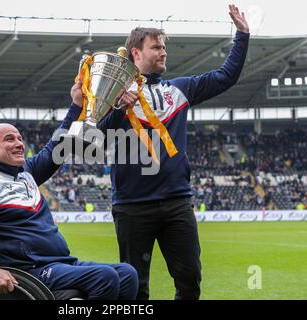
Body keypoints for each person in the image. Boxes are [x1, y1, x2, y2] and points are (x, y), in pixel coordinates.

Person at [98, 4, 249, 300]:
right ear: (136, 54)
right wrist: (117, 105)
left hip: (177, 202)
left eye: (164, 46)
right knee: (135, 287)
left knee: (190, 280)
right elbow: (92, 137)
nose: (164, 52)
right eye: (156, 47)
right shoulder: (113, 93)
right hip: (132, 206)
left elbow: (226, 77)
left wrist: (242, 35)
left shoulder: (180, 89)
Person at [0, 82, 138, 300]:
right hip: (28, 272)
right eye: (9, 139)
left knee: (127, 274)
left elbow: (60, 145)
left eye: (20, 138)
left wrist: (77, 105)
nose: (19, 143)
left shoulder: (27, 171)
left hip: (59, 263)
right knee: (104, 277)